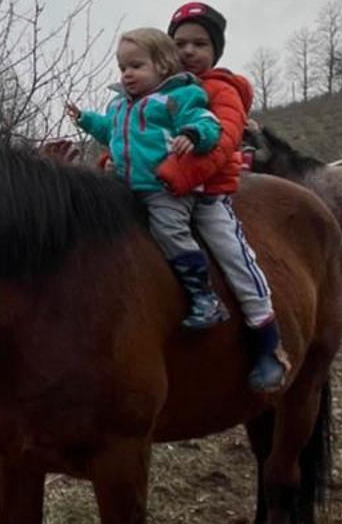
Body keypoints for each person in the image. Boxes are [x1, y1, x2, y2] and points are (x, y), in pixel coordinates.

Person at [165, 0, 288, 393]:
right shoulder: (159, 92)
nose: (188, 52)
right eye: (180, 43)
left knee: (235, 255)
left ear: (215, 50)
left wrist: (174, 177)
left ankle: (266, 337)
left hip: (205, 197)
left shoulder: (223, 91)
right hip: (161, 194)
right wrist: (111, 161)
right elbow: (138, 136)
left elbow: (221, 142)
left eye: (199, 44)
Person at [67, 28, 227, 329]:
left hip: (165, 189)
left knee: (168, 230)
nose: (127, 74)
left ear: (163, 65)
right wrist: (86, 120)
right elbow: (109, 132)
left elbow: (208, 123)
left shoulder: (178, 97)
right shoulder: (120, 106)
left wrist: (193, 134)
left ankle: (204, 296)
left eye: (136, 66)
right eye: (123, 67)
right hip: (126, 187)